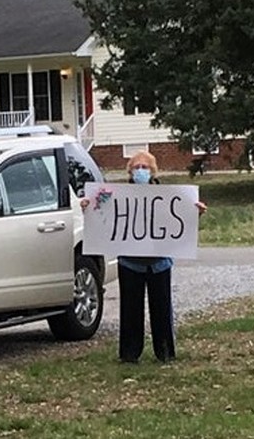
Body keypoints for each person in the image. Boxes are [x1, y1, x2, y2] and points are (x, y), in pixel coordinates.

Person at [82, 150, 207, 363]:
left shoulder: (167, 194)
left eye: (145, 167)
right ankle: (130, 354)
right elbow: (98, 210)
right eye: (137, 167)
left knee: (162, 310)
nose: (141, 171)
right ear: (130, 171)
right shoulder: (117, 194)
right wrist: (87, 206)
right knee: (130, 310)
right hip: (130, 263)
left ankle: (165, 352)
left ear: (153, 171)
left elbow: (180, 216)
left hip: (159, 263)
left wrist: (196, 212)